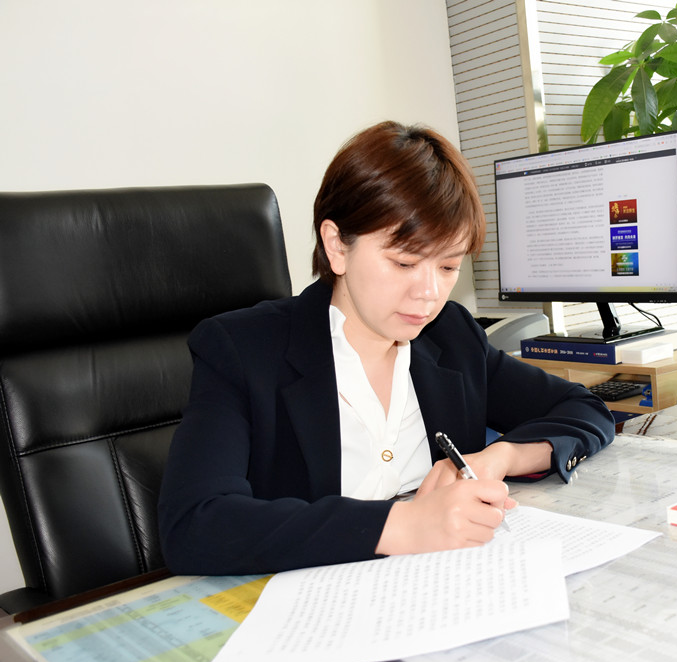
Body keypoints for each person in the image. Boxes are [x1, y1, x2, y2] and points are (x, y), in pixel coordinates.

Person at [158, 121, 615, 575]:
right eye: (404, 262)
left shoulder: (451, 336)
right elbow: (194, 525)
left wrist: (499, 457)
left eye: (448, 267)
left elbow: (585, 409)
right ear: (337, 246)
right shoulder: (244, 350)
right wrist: (405, 525)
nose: (429, 293)